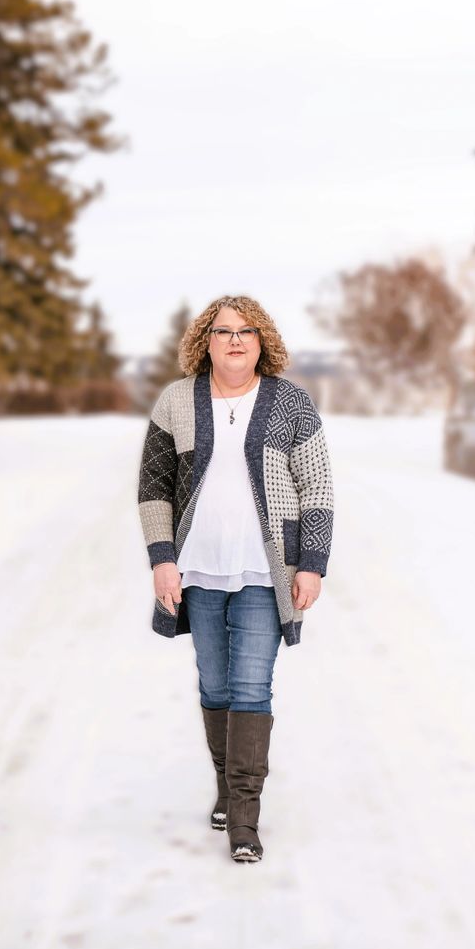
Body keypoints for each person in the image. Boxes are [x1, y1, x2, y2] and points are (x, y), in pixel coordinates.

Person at [137, 295, 334, 862]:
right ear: (206, 341)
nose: (235, 341)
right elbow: (153, 488)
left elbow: (316, 489)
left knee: (252, 686)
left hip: (261, 572)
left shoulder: (291, 403)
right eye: (223, 332)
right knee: (215, 685)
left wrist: (312, 564)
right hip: (196, 568)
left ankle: (245, 818)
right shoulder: (176, 402)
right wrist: (162, 557)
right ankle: (225, 788)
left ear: (262, 340)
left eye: (247, 331)